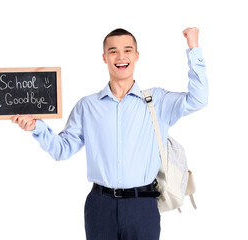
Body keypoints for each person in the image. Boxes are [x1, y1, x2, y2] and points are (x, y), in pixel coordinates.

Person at [12, 27, 208, 240]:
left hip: (142, 206)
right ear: (104, 58)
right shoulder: (87, 106)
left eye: (127, 50)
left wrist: (193, 48)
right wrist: (37, 127)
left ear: (136, 56)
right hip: (100, 206)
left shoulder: (157, 102)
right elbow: (62, 150)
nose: (121, 56)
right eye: (113, 51)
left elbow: (198, 99)